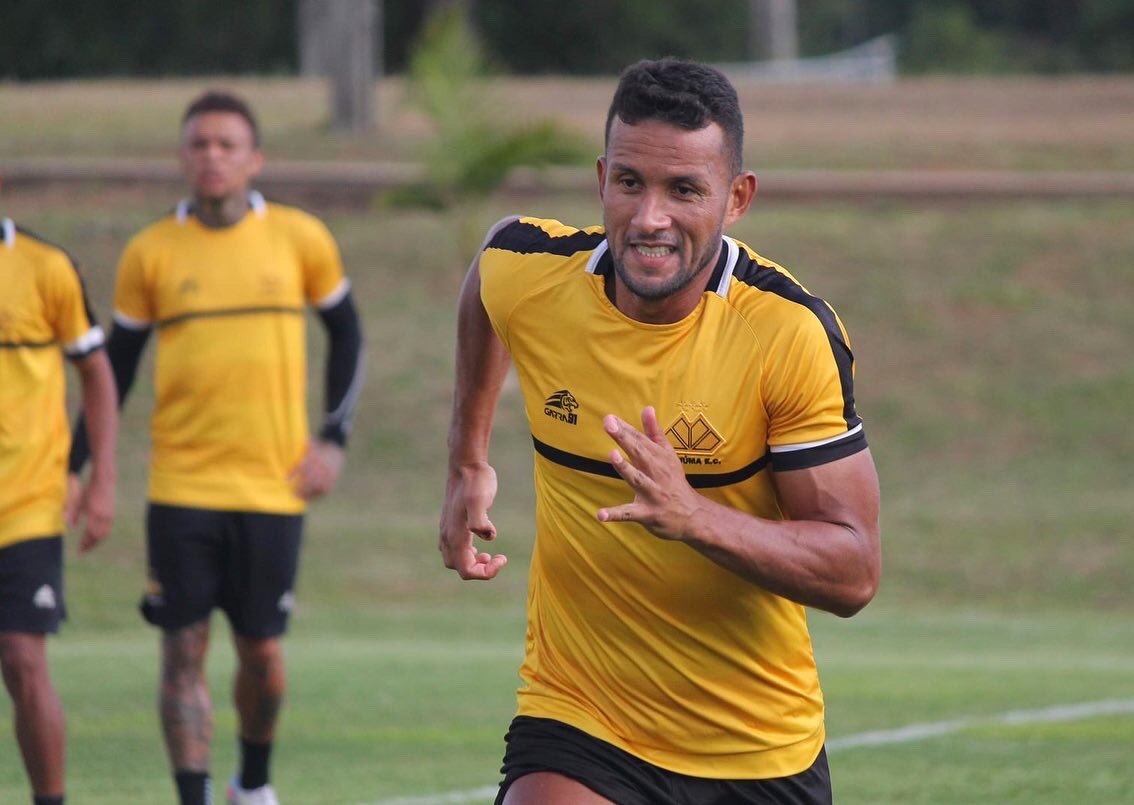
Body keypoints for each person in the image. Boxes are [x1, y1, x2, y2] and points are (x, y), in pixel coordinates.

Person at [439, 57, 881, 805]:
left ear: (737, 198)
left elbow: (853, 571)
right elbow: (487, 276)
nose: (650, 218)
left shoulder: (787, 333)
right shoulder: (535, 274)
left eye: (684, 190)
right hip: (581, 716)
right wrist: (466, 461)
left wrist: (694, 515)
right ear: (601, 179)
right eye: (631, 183)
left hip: (756, 744)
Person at [69, 91, 365, 805]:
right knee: (183, 647)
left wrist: (333, 439)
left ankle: (253, 784)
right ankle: (194, 794)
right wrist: (80, 463)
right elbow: (118, 366)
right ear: (182, 156)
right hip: (181, 488)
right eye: (199, 144)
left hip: (273, 487)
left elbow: (348, 334)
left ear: (254, 158)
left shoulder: (300, 238)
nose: (212, 156)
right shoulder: (151, 252)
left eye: (227, 144)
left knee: (262, 650)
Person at [1, 210, 118, 805]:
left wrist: (101, 479)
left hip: (25, 502)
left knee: (22, 658)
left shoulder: (45, 267)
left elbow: (97, 372)